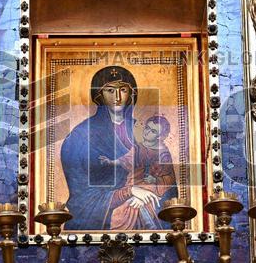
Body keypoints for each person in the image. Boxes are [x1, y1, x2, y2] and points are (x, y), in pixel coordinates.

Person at [60, 66, 167, 231]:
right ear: (99, 95)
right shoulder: (80, 136)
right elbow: (81, 194)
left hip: (147, 209)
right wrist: (128, 192)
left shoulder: (144, 132)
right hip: (103, 221)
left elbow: (164, 175)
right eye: (110, 90)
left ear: (131, 94)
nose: (117, 97)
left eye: (123, 90)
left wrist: (145, 191)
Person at [102, 115, 178, 231]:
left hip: (153, 189)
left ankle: (149, 225)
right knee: (125, 208)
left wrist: (156, 180)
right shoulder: (138, 148)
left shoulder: (163, 154)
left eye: (153, 131)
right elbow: (125, 160)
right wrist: (111, 162)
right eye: (147, 128)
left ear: (160, 136)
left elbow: (169, 179)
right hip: (134, 185)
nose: (147, 132)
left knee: (128, 208)